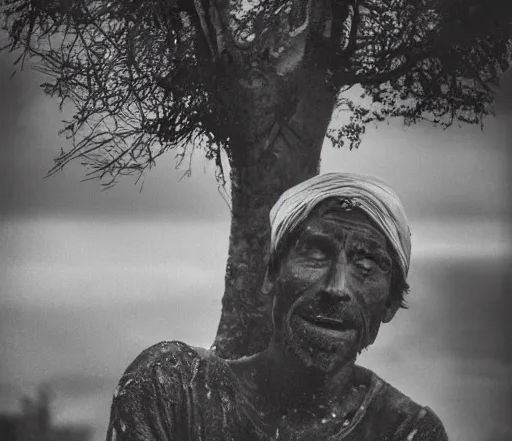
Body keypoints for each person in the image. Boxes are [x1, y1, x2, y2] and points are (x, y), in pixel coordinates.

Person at [106, 172, 448, 440]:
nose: (336, 287)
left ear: (388, 304)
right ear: (271, 274)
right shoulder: (174, 389)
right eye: (315, 253)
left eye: (367, 266)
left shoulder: (407, 431)